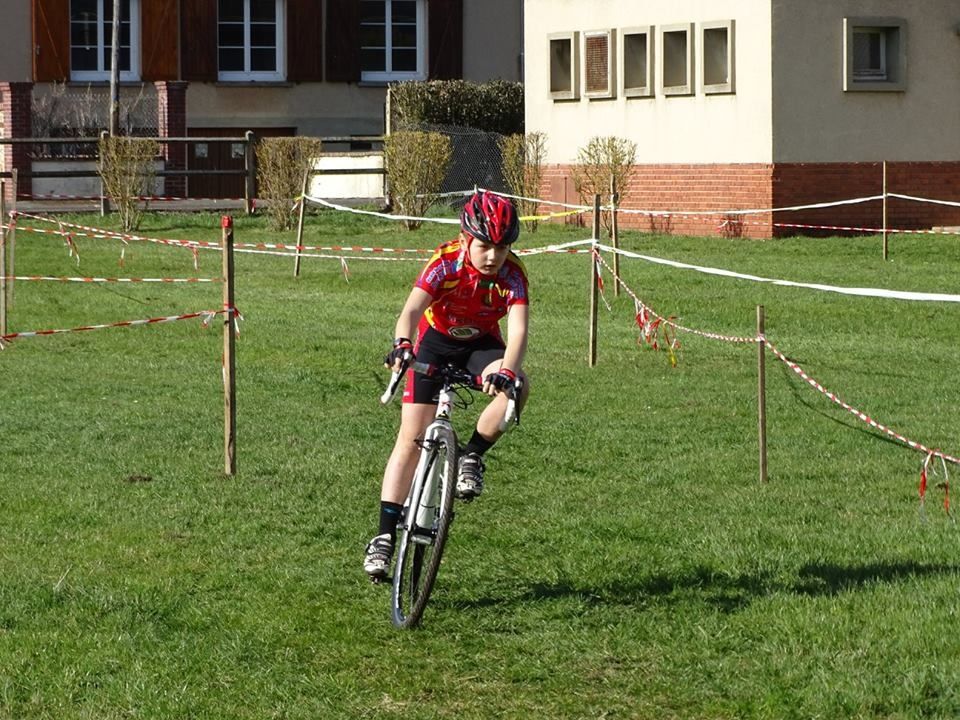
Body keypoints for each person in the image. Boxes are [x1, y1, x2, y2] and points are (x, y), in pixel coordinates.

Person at [364, 190, 531, 579]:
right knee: (410, 438)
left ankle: (471, 455)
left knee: (520, 387)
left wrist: (506, 370)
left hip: (481, 343)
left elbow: (519, 331)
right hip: (435, 342)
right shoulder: (444, 263)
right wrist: (402, 345)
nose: (493, 256)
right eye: (485, 246)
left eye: (502, 248)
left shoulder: (513, 274)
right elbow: (411, 310)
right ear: (466, 238)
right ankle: (384, 537)